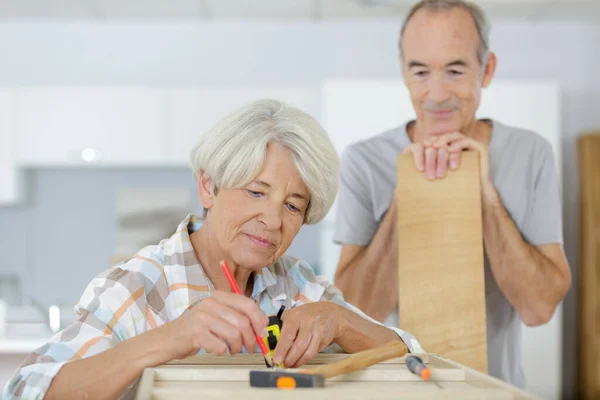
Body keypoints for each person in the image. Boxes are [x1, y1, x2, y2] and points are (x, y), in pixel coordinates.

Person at [4, 99, 423, 400]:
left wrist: (340, 322)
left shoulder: (296, 284)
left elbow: (414, 360)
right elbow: (27, 390)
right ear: (208, 186)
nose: (274, 221)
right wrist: (173, 338)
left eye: (293, 206)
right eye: (256, 192)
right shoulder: (140, 284)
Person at [332, 0, 571, 389]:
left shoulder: (531, 154)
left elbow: (539, 307)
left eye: (455, 70)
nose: (437, 93)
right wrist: (408, 192)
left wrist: (485, 196)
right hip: (395, 391)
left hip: (495, 390)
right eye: (421, 71)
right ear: (404, 75)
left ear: (487, 70)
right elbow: (359, 310)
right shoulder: (364, 161)